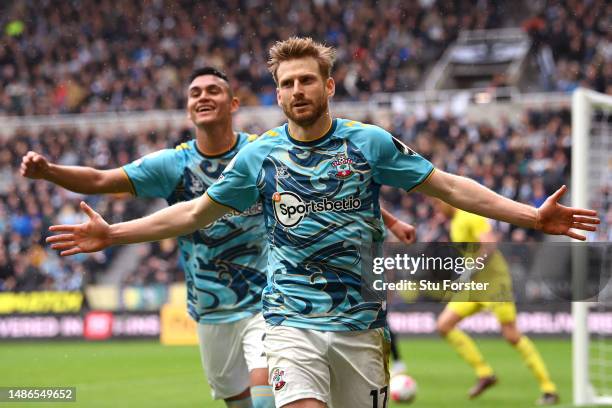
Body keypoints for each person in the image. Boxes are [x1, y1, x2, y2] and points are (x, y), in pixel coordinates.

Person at [46, 37, 599, 408]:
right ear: (277, 92)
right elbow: (194, 211)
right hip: (289, 321)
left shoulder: (369, 144)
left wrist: (531, 216)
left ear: (328, 86)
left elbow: (449, 185)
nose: (296, 92)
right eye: (286, 84)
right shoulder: (259, 158)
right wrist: (113, 233)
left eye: (307, 81)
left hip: (359, 325)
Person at [23, 65, 413, 408]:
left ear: (234, 104)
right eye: (195, 93)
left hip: (270, 301)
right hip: (211, 309)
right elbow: (100, 180)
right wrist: (49, 172)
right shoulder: (173, 165)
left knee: (270, 395)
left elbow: (324, 191)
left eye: (213, 90)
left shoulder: (262, 152)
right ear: (189, 108)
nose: (203, 97)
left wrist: (389, 221)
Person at [433, 200, 559, 405]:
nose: (436, 209)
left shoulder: (470, 215)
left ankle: (549, 389)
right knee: (444, 325)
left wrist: (471, 268)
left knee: (511, 335)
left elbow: (490, 244)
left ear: (446, 202)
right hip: (474, 286)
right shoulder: (454, 222)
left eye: (437, 205)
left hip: (494, 283)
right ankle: (485, 374)